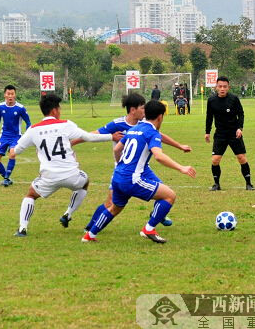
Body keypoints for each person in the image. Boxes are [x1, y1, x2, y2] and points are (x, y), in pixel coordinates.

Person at [82, 100, 196, 243]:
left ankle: (89, 236)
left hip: (117, 176)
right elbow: (159, 156)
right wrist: (181, 167)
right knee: (169, 196)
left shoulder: (134, 128)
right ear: (160, 117)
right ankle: (149, 228)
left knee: (115, 208)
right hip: (132, 179)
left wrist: (119, 165)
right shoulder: (151, 132)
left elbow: (117, 149)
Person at [9, 94, 123, 237]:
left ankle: (22, 229)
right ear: (55, 110)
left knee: (30, 195)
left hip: (48, 177)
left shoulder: (33, 129)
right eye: (59, 108)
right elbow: (88, 136)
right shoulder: (65, 124)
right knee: (85, 182)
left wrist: (11, 151)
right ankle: (67, 214)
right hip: (71, 175)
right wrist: (111, 136)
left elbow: (16, 151)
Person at [205, 76, 254, 191]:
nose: (222, 89)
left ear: (228, 87)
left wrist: (240, 128)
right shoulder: (211, 100)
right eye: (220, 86)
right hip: (220, 134)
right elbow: (209, 117)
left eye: (225, 86)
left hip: (234, 133)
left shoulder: (234, 99)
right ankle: (216, 184)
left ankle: (249, 184)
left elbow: (241, 114)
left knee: (241, 158)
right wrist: (207, 132)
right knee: (215, 160)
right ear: (216, 87)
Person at [0, 85, 31, 187]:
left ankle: (6, 178)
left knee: (12, 154)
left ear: (15, 95)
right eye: (8, 94)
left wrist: (27, 134)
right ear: (5, 95)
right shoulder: (1, 106)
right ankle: (6, 178)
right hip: (4, 136)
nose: (10, 96)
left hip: (16, 136)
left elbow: (28, 122)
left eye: (12, 94)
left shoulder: (20, 108)